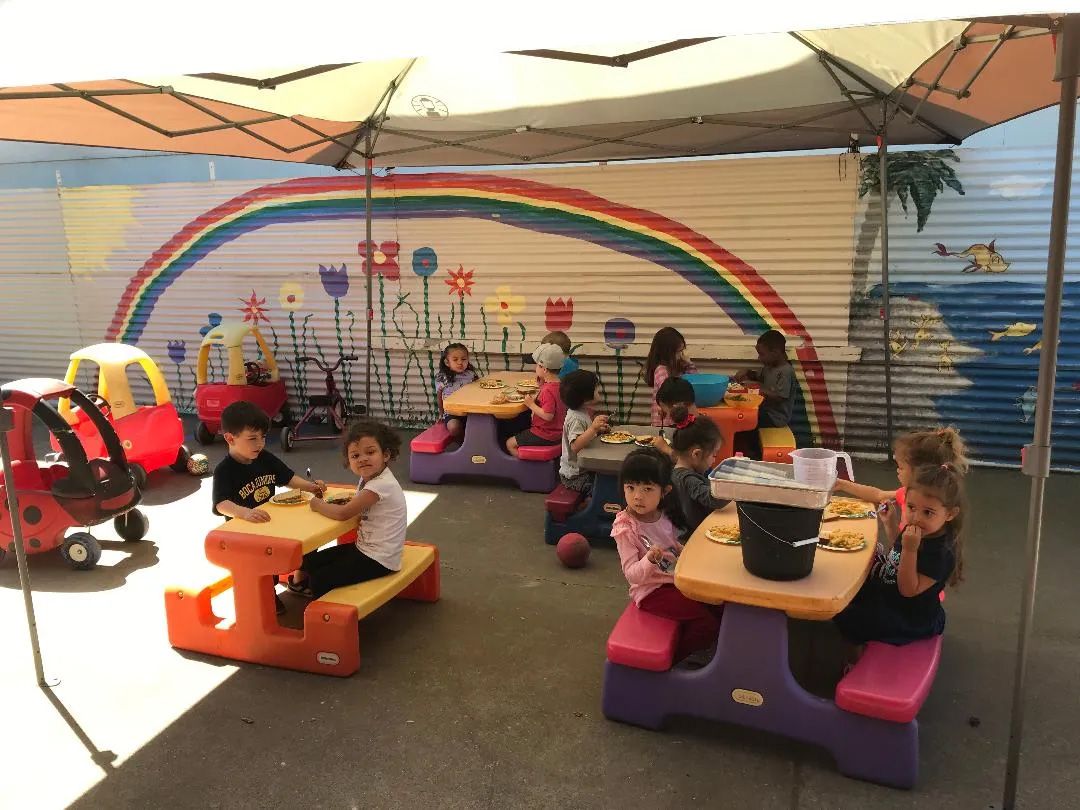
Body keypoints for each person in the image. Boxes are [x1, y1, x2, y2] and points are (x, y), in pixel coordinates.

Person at [211, 400, 326, 614]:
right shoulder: (224, 470)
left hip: (272, 522)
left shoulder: (264, 458)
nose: (259, 444)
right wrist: (244, 513)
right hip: (245, 533)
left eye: (263, 437)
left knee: (309, 534)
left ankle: (299, 579)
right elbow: (221, 504)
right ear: (230, 438)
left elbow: (288, 478)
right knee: (263, 562)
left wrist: (311, 486)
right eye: (252, 438)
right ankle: (265, 594)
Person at [833, 463, 965, 647]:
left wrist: (911, 549)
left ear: (950, 514)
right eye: (911, 507)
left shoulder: (941, 553)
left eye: (928, 512)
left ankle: (849, 657)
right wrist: (891, 524)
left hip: (909, 618)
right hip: (889, 594)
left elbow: (908, 590)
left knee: (849, 618)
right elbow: (899, 548)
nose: (916, 517)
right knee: (847, 587)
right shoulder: (918, 529)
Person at [611, 447, 719, 664]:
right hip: (652, 591)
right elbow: (632, 575)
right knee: (706, 623)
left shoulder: (664, 514)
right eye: (630, 487)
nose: (637, 496)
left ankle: (707, 652)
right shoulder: (626, 527)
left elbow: (673, 546)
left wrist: (681, 550)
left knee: (719, 603)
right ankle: (673, 661)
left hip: (675, 580)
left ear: (665, 491)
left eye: (648, 488)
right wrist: (649, 560)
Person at [287, 420, 407, 599]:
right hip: (366, 549)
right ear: (349, 461)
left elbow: (343, 514)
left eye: (370, 452)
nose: (363, 458)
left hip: (380, 559)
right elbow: (355, 505)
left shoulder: (381, 485)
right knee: (310, 561)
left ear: (386, 455)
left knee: (320, 578)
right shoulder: (369, 478)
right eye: (355, 455)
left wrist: (317, 504)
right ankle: (298, 585)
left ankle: (322, 609)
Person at [834, 427, 968, 536]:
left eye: (901, 467)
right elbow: (878, 495)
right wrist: (842, 484)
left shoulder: (929, 527)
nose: (898, 471)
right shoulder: (906, 493)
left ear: (919, 472)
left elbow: (903, 558)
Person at [668, 405, 730, 541]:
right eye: (713, 455)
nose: (714, 460)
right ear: (696, 454)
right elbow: (712, 499)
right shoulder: (688, 479)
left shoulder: (677, 472)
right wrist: (735, 486)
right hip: (692, 540)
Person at [506, 343, 567, 458]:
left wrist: (531, 405)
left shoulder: (548, 390)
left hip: (545, 434)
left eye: (537, 365)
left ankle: (524, 468)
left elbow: (548, 415)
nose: (535, 368)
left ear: (544, 369)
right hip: (558, 433)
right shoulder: (560, 385)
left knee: (509, 443)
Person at [558, 369, 609, 495]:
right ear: (585, 396)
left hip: (583, 468)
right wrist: (593, 429)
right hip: (575, 476)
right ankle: (587, 506)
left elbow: (584, 435)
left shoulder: (581, 411)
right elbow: (575, 446)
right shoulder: (575, 418)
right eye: (596, 388)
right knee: (603, 489)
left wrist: (598, 430)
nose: (599, 391)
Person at [734, 329, 795, 429]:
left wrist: (757, 388)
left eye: (762, 354)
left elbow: (780, 397)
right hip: (764, 410)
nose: (759, 358)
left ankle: (750, 444)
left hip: (775, 417)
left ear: (775, 353)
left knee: (744, 420)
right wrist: (747, 372)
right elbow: (758, 377)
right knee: (740, 414)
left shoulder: (785, 371)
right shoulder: (769, 366)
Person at [644, 327, 697, 427]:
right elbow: (672, 392)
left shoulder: (677, 366)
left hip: (676, 420)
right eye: (678, 352)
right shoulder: (661, 370)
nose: (680, 355)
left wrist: (688, 363)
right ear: (667, 353)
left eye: (682, 351)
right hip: (665, 423)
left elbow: (695, 380)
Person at [435, 342, 479, 441]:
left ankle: (476, 444)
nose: (460, 362)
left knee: (484, 423)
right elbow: (439, 396)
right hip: (452, 413)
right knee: (454, 427)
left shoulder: (471, 375)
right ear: (447, 362)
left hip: (470, 411)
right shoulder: (442, 377)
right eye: (455, 359)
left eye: (463, 359)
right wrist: (441, 414)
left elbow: (478, 391)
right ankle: (463, 444)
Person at [652, 376, 696, 457]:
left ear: (676, 407)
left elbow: (687, 461)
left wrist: (665, 448)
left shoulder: (692, 431)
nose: (668, 416)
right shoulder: (695, 421)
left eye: (667, 412)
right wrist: (665, 408)